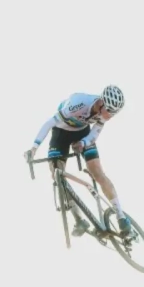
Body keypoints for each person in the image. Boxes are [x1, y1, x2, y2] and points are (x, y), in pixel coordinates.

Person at [25, 85, 131, 237]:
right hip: (60, 133)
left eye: (114, 114)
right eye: (109, 112)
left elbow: (95, 133)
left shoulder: (105, 111)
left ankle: (121, 217)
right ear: (101, 103)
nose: (109, 116)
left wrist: (83, 143)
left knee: (98, 172)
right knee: (57, 174)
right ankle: (79, 219)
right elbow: (49, 123)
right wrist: (34, 148)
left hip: (82, 132)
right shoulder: (79, 103)